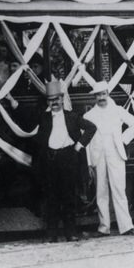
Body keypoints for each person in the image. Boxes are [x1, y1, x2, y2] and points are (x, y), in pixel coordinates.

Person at [33, 79, 97, 242]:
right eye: (51, 100)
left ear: (62, 99)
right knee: (51, 197)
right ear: (48, 102)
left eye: (56, 99)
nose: (54, 103)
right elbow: (39, 139)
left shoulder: (72, 117)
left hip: (68, 159)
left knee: (69, 196)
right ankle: (51, 234)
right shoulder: (44, 118)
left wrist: (79, 146)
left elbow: (91, 128)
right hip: (50, 160)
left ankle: (71, 232)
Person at [84, 80, 134, 236]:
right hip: (98, 155)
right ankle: (104, 228)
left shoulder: (117, 110)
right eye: (98, 95)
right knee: (101, 191)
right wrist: (89, 162)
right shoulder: (89, 115)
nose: (101, 97)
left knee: (119, 190)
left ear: (108, 94)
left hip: (115, 153)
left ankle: (126, 227)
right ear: (95, 97)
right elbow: (86, 142)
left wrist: (123, 139)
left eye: (103, 94)